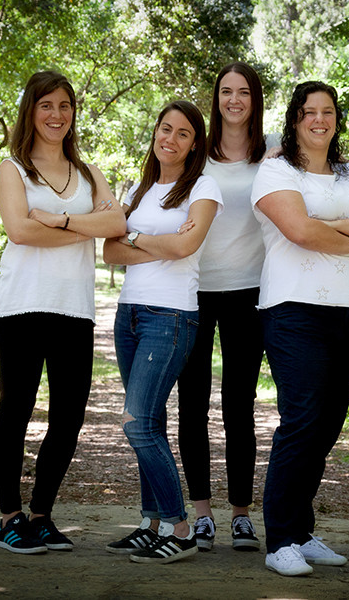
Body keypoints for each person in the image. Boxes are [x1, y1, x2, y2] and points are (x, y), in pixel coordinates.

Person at [251, 81, 349, 576]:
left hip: (348, 309)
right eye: (309, 112)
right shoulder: (275, 170)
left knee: (328, 424)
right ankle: (280, 541)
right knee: (303, 419)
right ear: (295, 119)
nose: (319, 120)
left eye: (328, 111)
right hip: (293, 308)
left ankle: (302, 529)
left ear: (337, 119)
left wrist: (327, 227)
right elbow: (297, 230)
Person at [0, 70, 126, 554]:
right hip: (21, 305)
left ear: (73, 114)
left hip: (74, 310)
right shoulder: (14, 169)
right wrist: (84, 228)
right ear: (31, 110)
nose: (56, 114)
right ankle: (9, 518)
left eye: (65, 105)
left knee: (68, 417)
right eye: (46, 104)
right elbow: (20, 232)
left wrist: (62, 218)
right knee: (17, 411)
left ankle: (42, 515)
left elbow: (117, 221)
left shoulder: (87, 174)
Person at [103, 100, 222, 564]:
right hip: (128, 314)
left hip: (170, 316)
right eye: (165, 129)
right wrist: (157, 245)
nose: (169, 139)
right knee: (148, 423)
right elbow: (111, 251)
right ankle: (150, 523)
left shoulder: (204, 187)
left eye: (183, 133)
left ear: (195, 145)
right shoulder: (138, 187)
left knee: (136, 423)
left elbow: (187, 245)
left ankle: (180, 528)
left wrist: (136, 240)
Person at [176, 62, 279, 553]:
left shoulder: (275, 151)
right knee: (192, 403)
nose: (234, 100)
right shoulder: (198, 152)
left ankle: (240, 513)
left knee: (239, 404)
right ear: (215, 98)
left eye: (243, 92)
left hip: (249, 292)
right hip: (193, 290)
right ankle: (202, 513)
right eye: (225, 92)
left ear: (255, 100)